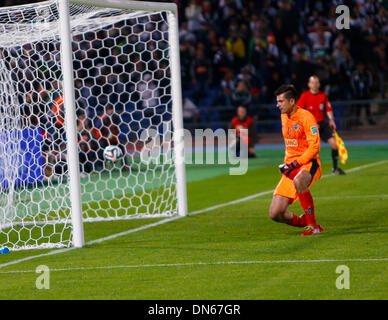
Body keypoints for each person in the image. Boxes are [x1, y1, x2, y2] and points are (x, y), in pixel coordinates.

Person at [269, 84, 323, 236]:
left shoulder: (307, 118)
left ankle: (313, 227)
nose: (277, 105)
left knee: (299, 181)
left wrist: (296, 163)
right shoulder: (284, 116)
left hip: (308, 163)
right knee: (275, 213)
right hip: (290, 168)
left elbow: (315, 147)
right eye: (277, 101)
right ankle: (304, 221)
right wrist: (289, 164)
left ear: (292, 101)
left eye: (280, 101)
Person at [297, 75, 345, 175]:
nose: (315, 84)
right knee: (311, 149)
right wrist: (310, 123)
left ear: (319, 84)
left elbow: (328, 109)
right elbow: (299, 112)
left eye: (317, 82)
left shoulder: (322, 95)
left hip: (322, 124)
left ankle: (335, 168)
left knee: (334, 144)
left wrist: (331, 120)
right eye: (313, 82)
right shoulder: (304, 96)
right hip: (310, 126)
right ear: (309, 84)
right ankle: (305, 169)